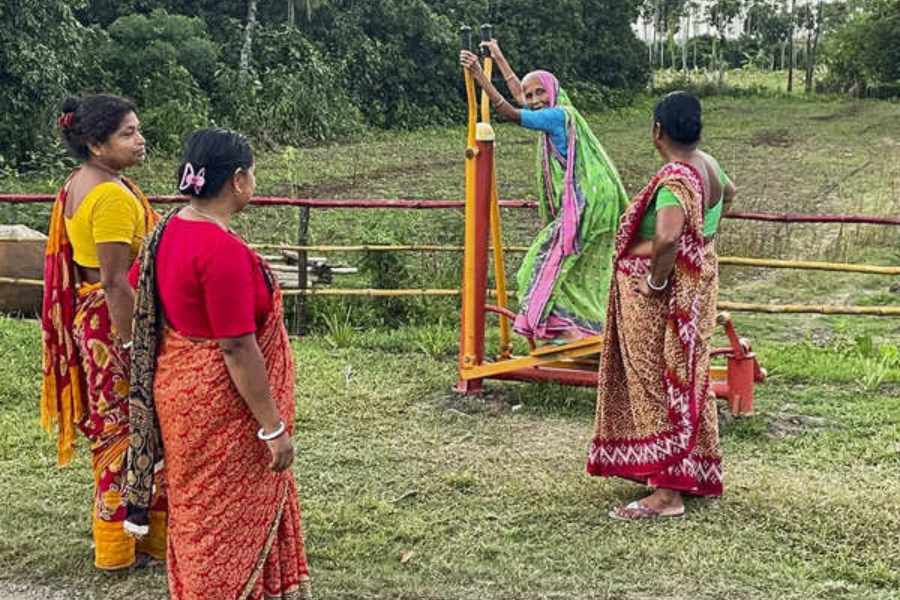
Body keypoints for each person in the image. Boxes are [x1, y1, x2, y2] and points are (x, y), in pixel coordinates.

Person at [125, 128, 312, 599]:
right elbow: (236, 346)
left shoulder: (164, 233)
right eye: (252, 173)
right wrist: (271, 427)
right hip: (222, 412)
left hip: (179, 398)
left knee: (197, 513)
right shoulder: (222, 251)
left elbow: (140, 296)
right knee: (227, 520)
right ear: (238, 180)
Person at [586, 91, 736, 519]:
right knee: (691, 376)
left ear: (656, 131)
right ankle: (696, 472)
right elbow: (731, 192)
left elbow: (668, 238)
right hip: (698, 290)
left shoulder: (675, 180)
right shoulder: (708, 165)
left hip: (665, 299)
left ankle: (668, 494)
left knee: (658, 378)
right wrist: (704, 241)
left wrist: (655, 280)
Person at [39, 94, 166, 569]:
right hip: (115, 323)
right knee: (126, 430)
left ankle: (128, 540)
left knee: (119, 430)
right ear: (95, 144)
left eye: (138, 129)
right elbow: (115, 280)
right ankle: (120, 550)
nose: (140, 140)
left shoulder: (80, 182)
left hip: (94, 321)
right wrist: (136, 345)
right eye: (127, 133)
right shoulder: (111, 194)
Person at [460, 41, 629, 343]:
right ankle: (586, 328)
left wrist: (477, 75)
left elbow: (510, 110)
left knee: (542, 263)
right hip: (597, 200)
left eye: (540, 93)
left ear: (552, 92)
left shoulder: (557, 116)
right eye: (531, 94)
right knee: (575, 266)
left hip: (587, 202)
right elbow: (518, 94)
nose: (535, 100)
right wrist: (498, 56)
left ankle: (571, 330)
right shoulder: (561, 111)